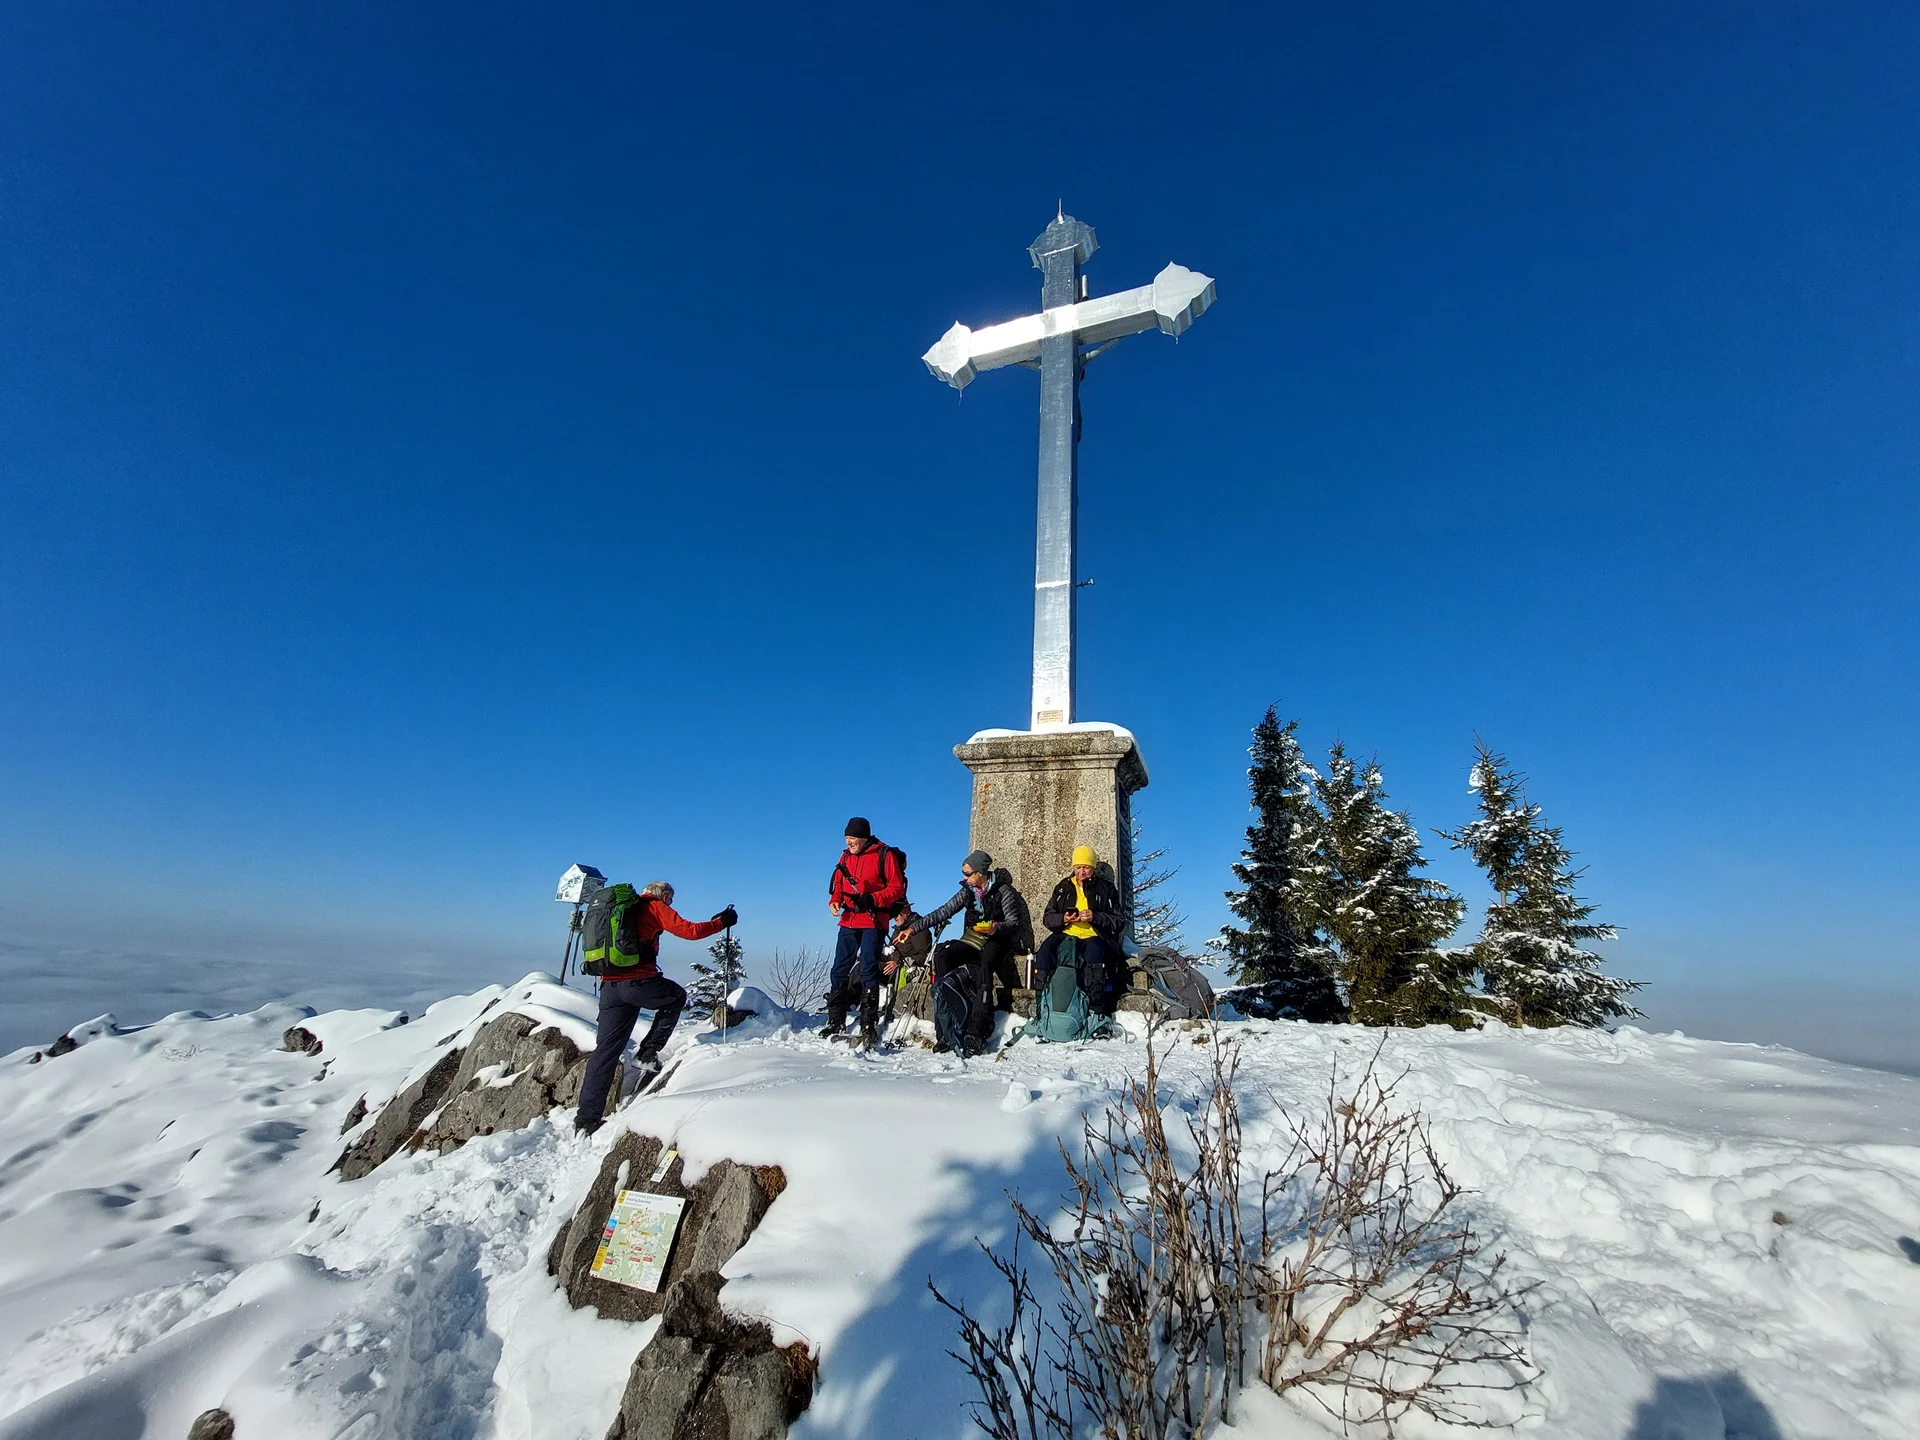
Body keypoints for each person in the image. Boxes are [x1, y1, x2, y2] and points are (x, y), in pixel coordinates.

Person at [574, 881, 736, 1135]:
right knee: (675, 998)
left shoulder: (620, 909)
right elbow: (690, 931)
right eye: (671, 897)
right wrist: (721, 923)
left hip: (609, 986)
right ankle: (647, 1053)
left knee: (605, 1051)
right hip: (638, 981)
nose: (671, 902)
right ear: (664, 894)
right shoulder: (654, 907)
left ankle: (586, 1120)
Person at [900, 850, 1032, 1056]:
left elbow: (1014, 922)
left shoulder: (1003, 891)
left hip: (996, 939)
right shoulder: (967, 891)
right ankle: (947, 1028)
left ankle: (976, 1032)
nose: (965, 878)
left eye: (968, 873)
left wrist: (996, 927)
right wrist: (912, 929)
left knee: (985, 967)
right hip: (972, 938)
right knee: (943, 957)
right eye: (964, 873)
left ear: (980, 872)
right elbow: (943, 911)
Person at [826, 817, 905, 1045]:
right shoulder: (845, 856)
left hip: (873, 921)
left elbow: (896, 888)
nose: (848, 842)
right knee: (839, 968)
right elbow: (839, 883)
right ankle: (835, 1019)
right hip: (849, 919)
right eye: (846, 838)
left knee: (868, 970)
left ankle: (868, 1024)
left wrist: (872, 899)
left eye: (852, 838)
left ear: (863, 837)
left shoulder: (884, 855)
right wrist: (835, 900)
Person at [1036, 844, 1125, 1014]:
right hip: (1066, 933)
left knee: (1094, 953)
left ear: (1093, 867)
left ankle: (1096, 1009)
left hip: (1095, 935)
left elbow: (1119, 921)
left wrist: (1095, 917)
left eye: (1086, 867)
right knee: (1045, 950)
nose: (1081, 872)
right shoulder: (1063, 887)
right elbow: (1048, 918)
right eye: (1078, 867)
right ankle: (1042, 1005)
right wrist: (1064, 918)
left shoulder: (1106, 889)